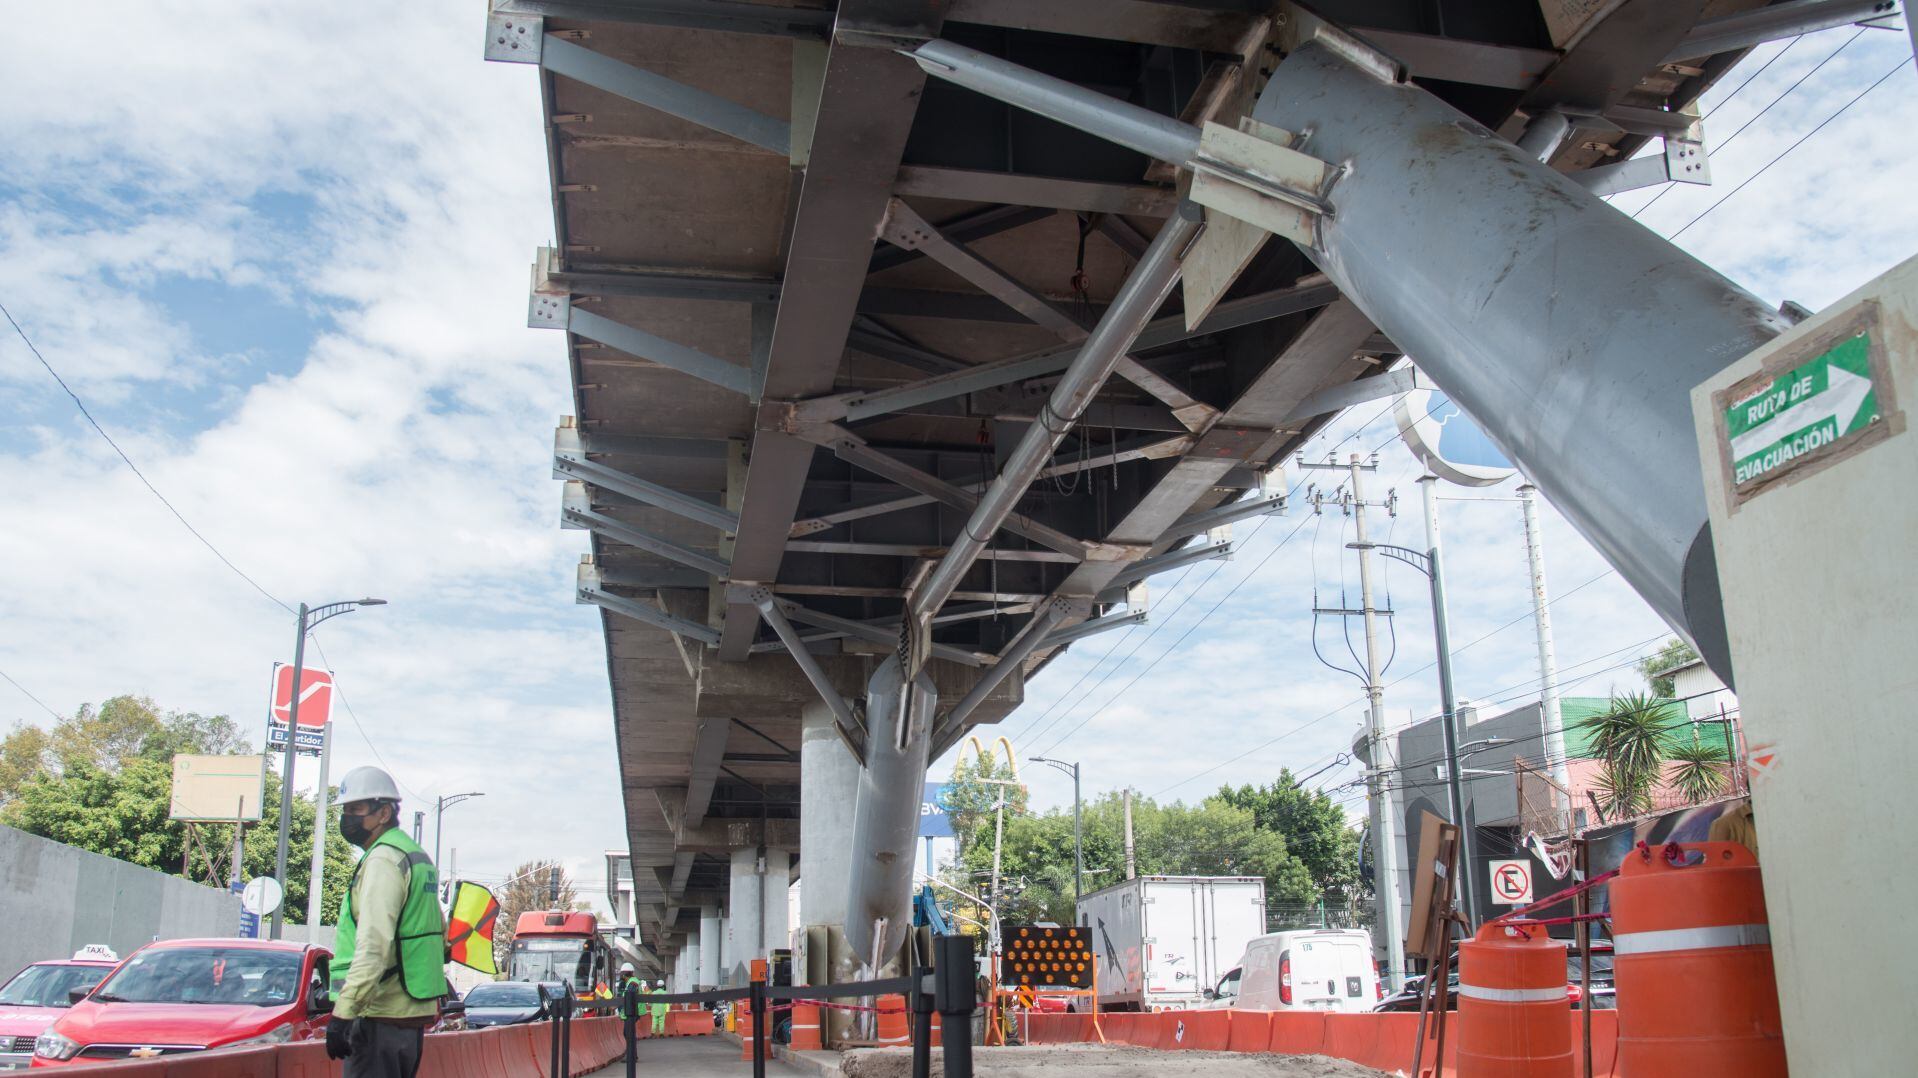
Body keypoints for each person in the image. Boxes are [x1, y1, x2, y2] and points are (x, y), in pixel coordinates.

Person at [325, 766, 448, 1078]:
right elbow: (440, 933)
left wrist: (343, 1013)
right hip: (407, 1018)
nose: (348, 818)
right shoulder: (415, 855)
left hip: (378, 1014)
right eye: (346, 810)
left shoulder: (383, 860)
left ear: (383, 813)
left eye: (357, 809)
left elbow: (373, 947)